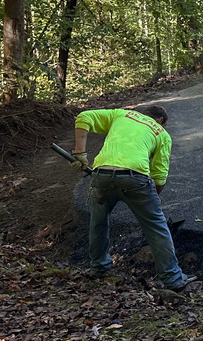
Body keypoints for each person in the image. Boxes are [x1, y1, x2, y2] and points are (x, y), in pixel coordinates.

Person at [73, 104, 194, 291]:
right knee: (157, 228)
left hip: (101, 174)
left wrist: (80, 154)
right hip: (135, 178)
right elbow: (159, 175)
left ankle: (98, 268)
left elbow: (84, 117)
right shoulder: (161, 133)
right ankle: (173, 279)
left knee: (98, 222)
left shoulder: (121, 115)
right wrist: (151, 201)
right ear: (160, 121)